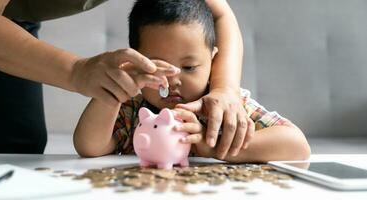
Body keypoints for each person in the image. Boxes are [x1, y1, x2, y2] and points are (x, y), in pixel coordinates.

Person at [0, 0, 245, 154]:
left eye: (188, 67)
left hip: (12, 18)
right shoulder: (131, 113)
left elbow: (218, 12)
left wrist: (225, 89)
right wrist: (75, 71)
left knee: (20, 144)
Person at [73, 0, 311, 162]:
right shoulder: (134, 106)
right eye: (158, 66)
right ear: (136, 62)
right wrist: (115, 89)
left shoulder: (224, 106)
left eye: (189, 67)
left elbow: (297, 145)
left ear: (212, 61)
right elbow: (88, 146)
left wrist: (217, 148)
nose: (174, 80)